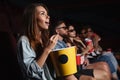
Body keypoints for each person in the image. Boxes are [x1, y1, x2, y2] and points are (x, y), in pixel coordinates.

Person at [17, 3, 59, 80]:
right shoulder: (24, 40)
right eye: (42, 14)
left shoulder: (45, 39)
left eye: (47, 14)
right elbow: (30, 72)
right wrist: (47, 50)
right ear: (33, 18)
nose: (48, 16)